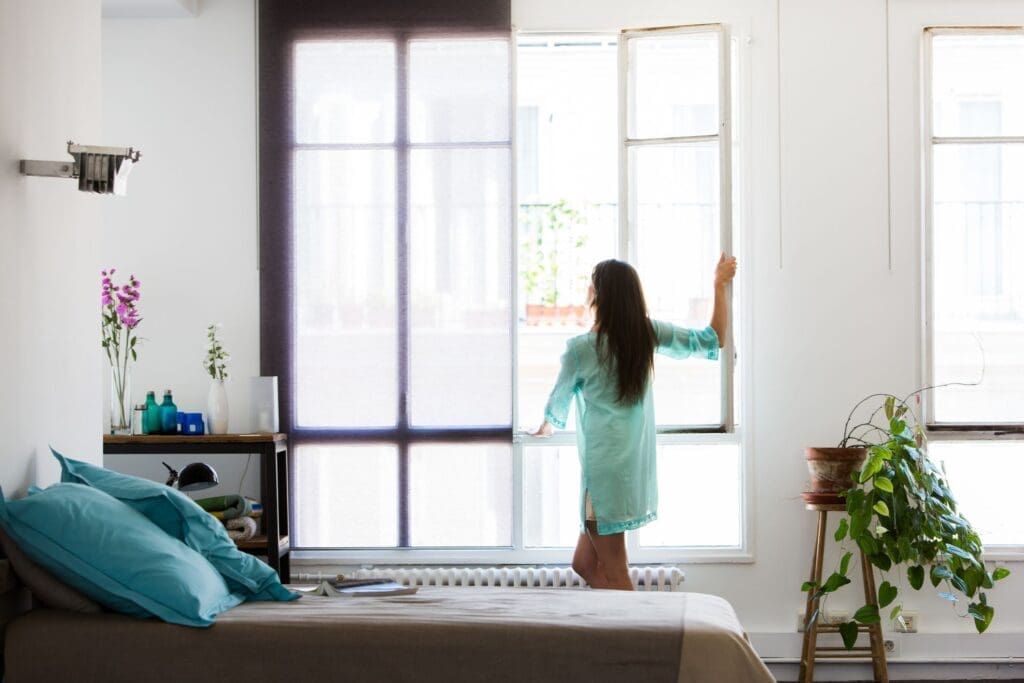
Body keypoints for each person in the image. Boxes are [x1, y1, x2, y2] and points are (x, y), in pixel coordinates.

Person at [531, 254, 737, 590]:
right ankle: (616, 627)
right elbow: (713, 338)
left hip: (602, 476)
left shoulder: (581, 349)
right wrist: (718, 286)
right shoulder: (645, 333)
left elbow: (557, 402)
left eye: (591, 285)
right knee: (583, 564)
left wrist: (544, 426)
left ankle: (637, 636)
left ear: (599, 296)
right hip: (628, 470)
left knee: (616, 570)